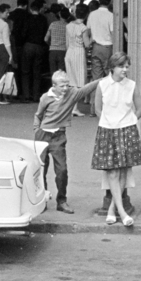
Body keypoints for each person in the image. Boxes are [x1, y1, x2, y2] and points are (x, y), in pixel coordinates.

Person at [32, 70, 103, 214]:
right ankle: (43, 199)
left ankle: (61, 201)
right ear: (54, 86)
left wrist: (104, 78)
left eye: (67, 85)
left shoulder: (72, 94)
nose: (65, 89)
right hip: (42, 137)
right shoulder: (45, 98)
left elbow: (86, 88)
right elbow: (38, 115)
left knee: (62, 170)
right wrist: (36, 130)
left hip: (58, 136)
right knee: (41, 171)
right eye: (62, 86)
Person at [91, 52, 141, 227]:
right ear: (112, 67)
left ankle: (113, 210)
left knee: (122, 171)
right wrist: (108, 121)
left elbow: (140, 108)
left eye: (127, 66)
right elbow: (97, 108)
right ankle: (122, 212)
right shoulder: (102, 85)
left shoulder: (132, 85)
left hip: (127, 130)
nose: (125, 70)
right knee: (113, 172)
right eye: (122, 66)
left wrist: (130, 121)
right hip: (108, 130)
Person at [85, 0, 116, 83]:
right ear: (110, 1)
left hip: (95, 47)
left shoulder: (92, 14)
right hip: (107, 47)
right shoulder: (111, 16)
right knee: (109, 74)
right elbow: (113, 34)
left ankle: (97, 95)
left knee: (96, 77)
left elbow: (88, 31)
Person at [63, 8, 89, 91]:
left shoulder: (68, 25)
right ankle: (78, 100)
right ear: (86, 15)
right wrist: (93, 39)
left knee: (71, 81)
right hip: (79, 52)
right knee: (80, 79)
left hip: (69, 52)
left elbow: (67, 43)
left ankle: (72, 101)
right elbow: (87, 44)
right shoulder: (83, 27)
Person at [47, 6, 69, 84]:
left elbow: (46, 39)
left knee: (53, 74)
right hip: (63, 51)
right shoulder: (68, 26)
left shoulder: (53, 24)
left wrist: (51, 44)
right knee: (61, 74)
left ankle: (53, 89)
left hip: (52, 51)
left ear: (59, 15)